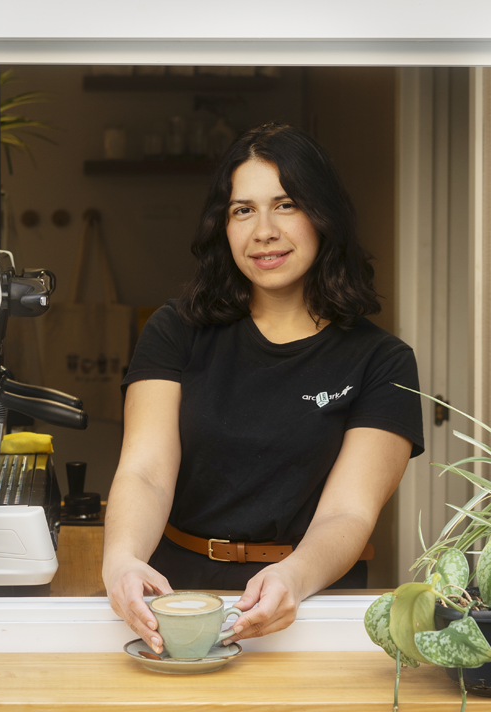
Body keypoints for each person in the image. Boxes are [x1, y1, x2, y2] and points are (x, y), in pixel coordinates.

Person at [101, 123, 425, 654]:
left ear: (323, 217)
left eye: (286, 204)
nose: (263, 230)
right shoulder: (175, 331)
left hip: (308, 604)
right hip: (174, 601)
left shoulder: (382, 361)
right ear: (222, 226)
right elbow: (145, 472)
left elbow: (349, 513)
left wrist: (291, 578)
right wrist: (122, 560)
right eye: (242, 209)